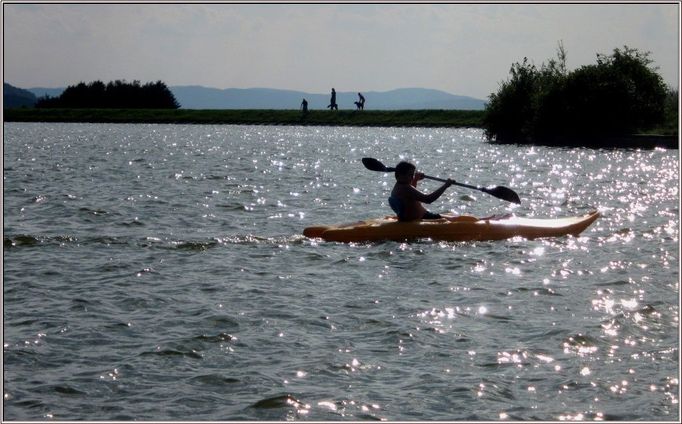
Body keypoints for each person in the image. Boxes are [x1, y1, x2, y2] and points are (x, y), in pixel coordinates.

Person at [389, 161, 455, 221]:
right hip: (422, 219)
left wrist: (415, 180)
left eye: (413, 175)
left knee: (452, 216)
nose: (412, 177)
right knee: (453, 220)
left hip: (422, 216)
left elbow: (410, 196)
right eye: (410, 175)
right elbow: (428, 199)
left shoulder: (399, 186)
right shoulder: (405, 188)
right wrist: (445, 186)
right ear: (401, 175)